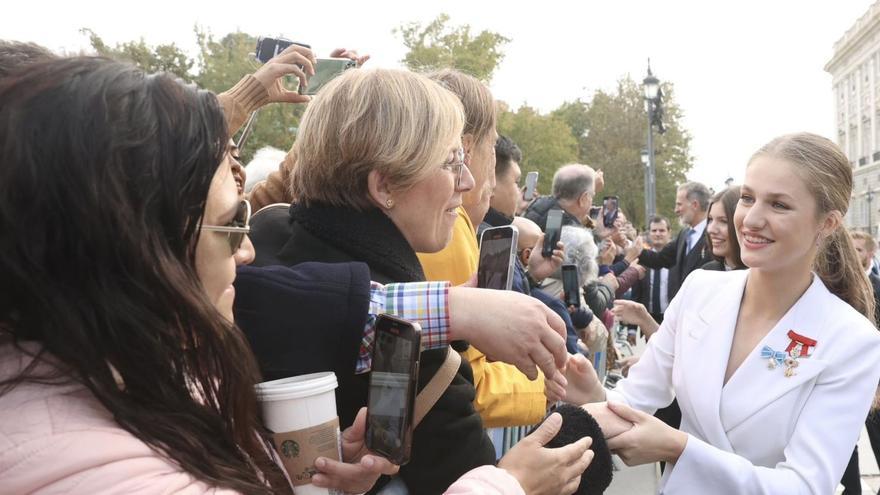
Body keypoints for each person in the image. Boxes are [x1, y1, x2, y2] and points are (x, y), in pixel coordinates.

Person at [0, 56, 591, 495]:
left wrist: (298, 474)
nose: (249, 256)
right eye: (233, 224)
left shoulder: (114, 370)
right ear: (141, 248)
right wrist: (507, 484)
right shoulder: (95, 461)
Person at [243, 67, 570, 494]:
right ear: (385, 186)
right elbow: (471, 475)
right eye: (452, 162)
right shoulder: (409, 349)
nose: (467, 181)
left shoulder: (261, 240)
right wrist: (532, 469)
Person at [563, 132, 880, 494]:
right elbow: (635, 399)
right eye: (748, 198)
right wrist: (593, 399)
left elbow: (804, 486)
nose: (751, 219)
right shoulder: (700, 289)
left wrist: (679, 448)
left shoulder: (854, 340)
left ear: (827, 223)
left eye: (779, 205)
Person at [637, 181, 713, 300]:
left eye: (679, 204)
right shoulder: (684, 234)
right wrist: (632, 248)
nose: (676, 210)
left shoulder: (715, 235)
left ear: (694, 205)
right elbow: (660, 260)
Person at [525, 164, 597, 230]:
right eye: (592, 197)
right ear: (583, 199)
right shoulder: (573, 235)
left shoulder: (537, 206)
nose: (591, 203)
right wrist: (599, 234)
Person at [631, 216, 672, 324]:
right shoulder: (642, 261)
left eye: (662, 230)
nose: (658, 234)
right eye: (654, 230)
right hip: (648, 320)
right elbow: (636, 294)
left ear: (669, 233)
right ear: (649, 233)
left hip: (672, 320)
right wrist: (632, 329)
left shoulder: (676, 260)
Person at [702, 186, 746, 271]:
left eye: (723, 221)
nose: (710, 229)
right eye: (710, 219)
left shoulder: (759, 277)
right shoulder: (706, 272)